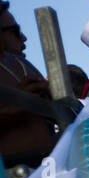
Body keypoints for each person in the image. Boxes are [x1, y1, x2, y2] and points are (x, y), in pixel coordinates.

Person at [0, 1, 54, 167]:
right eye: (15, 32)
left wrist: (54, 101)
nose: (23, 38)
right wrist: (10, 109)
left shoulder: (23, 65)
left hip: (51, 169)